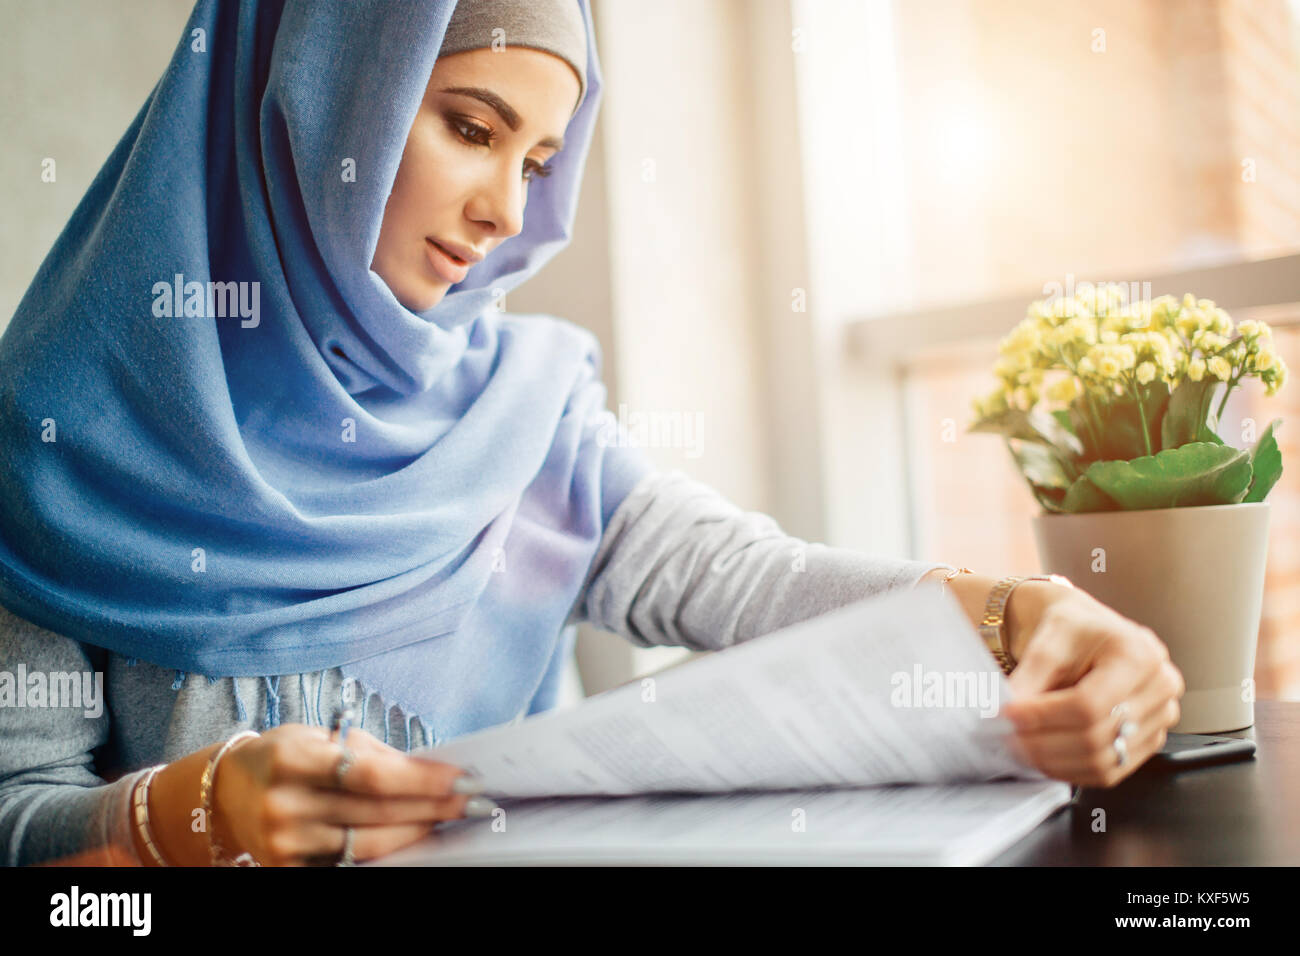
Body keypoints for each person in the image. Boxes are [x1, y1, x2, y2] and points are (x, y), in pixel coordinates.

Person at [0, 0, 1182, 868]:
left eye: (539, 162)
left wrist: (1009, 611)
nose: (506, 211)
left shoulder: (522, 409)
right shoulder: (53, 442)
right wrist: (178, 819)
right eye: (470, 126)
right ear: (314, 101)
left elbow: (737, 575)